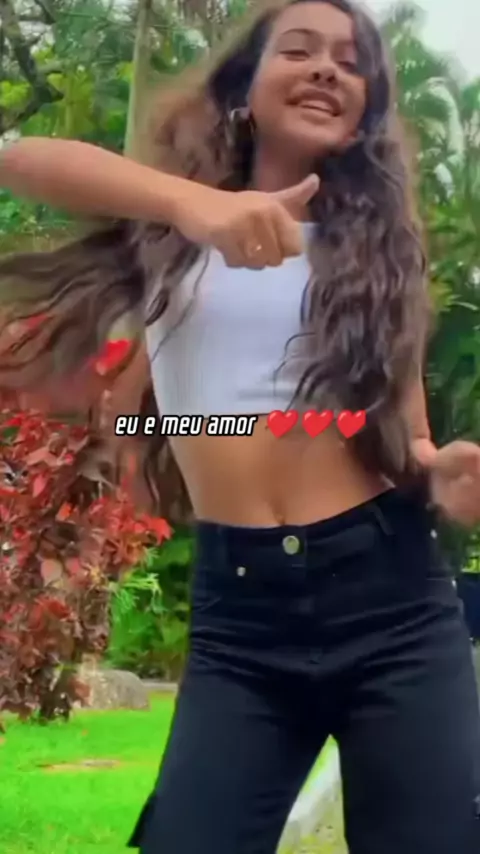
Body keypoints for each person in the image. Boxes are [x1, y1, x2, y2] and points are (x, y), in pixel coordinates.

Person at [1, 0, 480, 851]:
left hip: (392, 600)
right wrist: (193, 205)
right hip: (242, 617)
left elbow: (407, 434)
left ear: (366, 108)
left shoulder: (382, 255)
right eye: (299, 49)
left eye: (350, 61)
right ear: (244, 87)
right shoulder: (167, 225)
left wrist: (437, 473)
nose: (327, 67)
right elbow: (21, 160)